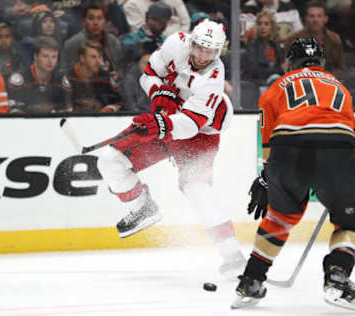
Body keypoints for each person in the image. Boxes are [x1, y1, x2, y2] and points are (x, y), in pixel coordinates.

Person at [96, 19, 246, 278]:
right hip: (167, 119)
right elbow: (148, 74)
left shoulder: (212, 78)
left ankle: (233, 256)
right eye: (200, 47)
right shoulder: (175, 43)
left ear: (219, 52)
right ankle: (143, 207)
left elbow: (191, 125)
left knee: (197, 189)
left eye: (210, 52)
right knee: (109, 160)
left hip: (200, 134)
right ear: (191, 41)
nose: (203, 56)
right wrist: (158, 94)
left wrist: (159, 123)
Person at [231, 38, 355, 311]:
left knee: (279, 218)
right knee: (352, 221)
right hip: (337, 152)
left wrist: (265, 175)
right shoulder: (339, 86)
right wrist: (342, 177)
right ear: (320, 62)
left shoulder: (274, 88)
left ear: (289, 62)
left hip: (287, 153)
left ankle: (251, 279)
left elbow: (268, 139)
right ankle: (337, 275)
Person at [7, 36, 72, 113]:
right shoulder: (19, 79)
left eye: (54, 57)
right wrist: (34, 110)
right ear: (35, 56)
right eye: (45, 56)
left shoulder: (61, 79)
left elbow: (68, 109)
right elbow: (12, 110)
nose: (50, 61)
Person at [61, 1, 123, 78]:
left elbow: (121, 69)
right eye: (91, 18)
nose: (95, 22)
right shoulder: (72, 44)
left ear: (105, 21)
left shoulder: (113, 42)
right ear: (84, 21)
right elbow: (65, 74)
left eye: (99, 18)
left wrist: (118, 75)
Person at [284, 0, 345, 77]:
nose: (315, 20)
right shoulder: (294, 39)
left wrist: (327, 77)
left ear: (325, 19)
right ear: (305, 18)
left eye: (319, 16)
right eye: (311, 16)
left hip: (329, 80)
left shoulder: (334, 40)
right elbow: (287, 66)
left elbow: (340, 67)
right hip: (301, 79)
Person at [66, 40, 123, 112]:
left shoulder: (105, 77)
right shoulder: (68, 77)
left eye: (99, 57)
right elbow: (63, 105)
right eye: (93, 57)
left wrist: (107, 109)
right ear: (82, 58)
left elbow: (120, 101)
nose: (98, 61)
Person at [242, 10, 285, 87]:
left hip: (276, 82)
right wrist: (277, 71)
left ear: (272, 27)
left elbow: (283, 67)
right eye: (259, 24)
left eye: (266, 24)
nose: (262, 27)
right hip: (258, 84)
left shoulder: (276, 47)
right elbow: (255, 71)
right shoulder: (252, 46)